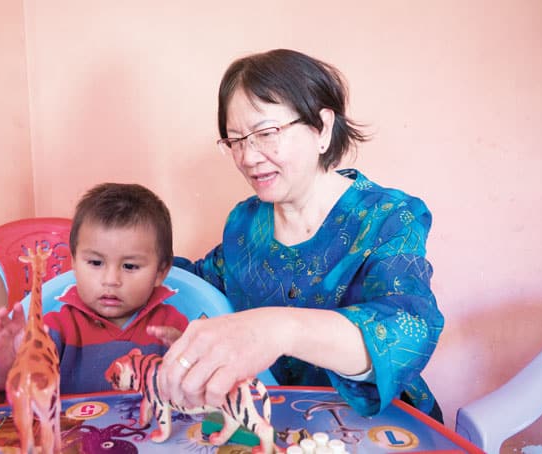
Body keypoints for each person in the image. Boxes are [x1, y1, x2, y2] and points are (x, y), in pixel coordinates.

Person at [152, 49, 445, 422]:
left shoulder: (386, 217)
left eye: (266, 133)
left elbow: (409, 327)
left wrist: (279, 329)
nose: (249, 157)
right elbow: (204, 279)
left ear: (322, 127)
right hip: (277, 425)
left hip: (379, 425)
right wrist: (125, 265)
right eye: (236, 140)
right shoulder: (245, 223)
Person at [0, 183, 188, 394]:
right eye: (96, 263)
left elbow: (199, 396)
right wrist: (4, 366)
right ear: (74, 262)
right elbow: (11, 392)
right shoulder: (54, 330)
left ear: (161, 272)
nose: (111, 280)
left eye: (130, 266)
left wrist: (186, 361)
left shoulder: (174, 329)